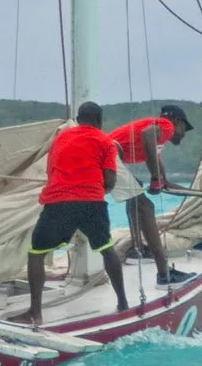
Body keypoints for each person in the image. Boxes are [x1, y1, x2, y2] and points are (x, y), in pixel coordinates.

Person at [22, 101, 128, 325]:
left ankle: (35, 312)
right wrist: (97, 190)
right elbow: (109, 180)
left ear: (78, 120)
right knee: (107, 248)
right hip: (91, 202)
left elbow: (52, 172)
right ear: (99, 121)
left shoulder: (60, 139)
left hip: (58, 202)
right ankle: (123, 304)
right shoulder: (105, 142)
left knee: (36, 252)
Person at [108, 104, 193, 289]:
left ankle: (137, 250)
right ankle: (164, 275)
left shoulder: (155, 146)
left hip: (106, 155)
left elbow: (166, 183)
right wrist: (155, 178)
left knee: (135, 194)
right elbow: (147, 135)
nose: (183, 134)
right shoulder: (165, 126)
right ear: (176, 121)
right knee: (146, 207)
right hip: (108, 153)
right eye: (184, 128)